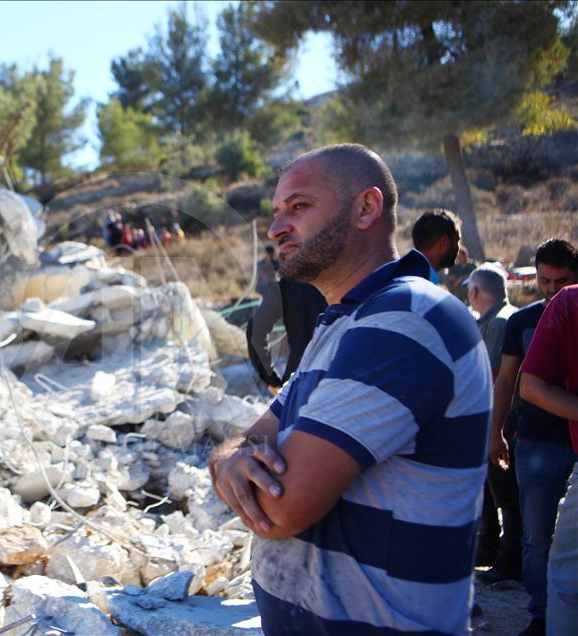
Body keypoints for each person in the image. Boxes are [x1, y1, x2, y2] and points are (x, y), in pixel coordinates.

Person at [209, 144, 491, 634]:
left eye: (298, 206)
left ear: (366, 208)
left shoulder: (404, 320)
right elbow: (246, 440)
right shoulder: (344, 324)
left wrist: (236, 469)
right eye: (276, 212)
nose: (276, 229)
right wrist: (229, 458)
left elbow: (279, 508)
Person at [488, 238, 578, 635]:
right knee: (537, 534)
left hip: (571, 438)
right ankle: (541, 615)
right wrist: (495, 432)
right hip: (538, 439)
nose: (552, 289)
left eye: (562, 280)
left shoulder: (572, 308)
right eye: (544, 280)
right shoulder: (521, 321)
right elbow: (507, 380)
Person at [518, 285, 578, 636]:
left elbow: (529, 386)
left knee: (567, 581)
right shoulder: (567, 304)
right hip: (541, 444)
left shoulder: (569, 303)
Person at [467, 264, 521, 579]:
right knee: (489, 487)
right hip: (490, 417)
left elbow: (497, 376)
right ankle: (489, 546)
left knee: (505, 493)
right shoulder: (493, 320)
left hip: (501, 418)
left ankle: (510, 556)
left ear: (475, 291)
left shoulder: (501, 322)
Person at [246, 274, 327, 388]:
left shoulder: (288, 283)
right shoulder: (346, 275)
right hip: (341, 380)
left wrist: (271, 380)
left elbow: (254, 330)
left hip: (298, 381)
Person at [412, 208, 461, 283]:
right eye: (457, 241)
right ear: (445, 243)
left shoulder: (399, 275)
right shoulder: (426, 286)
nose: (459, 248)